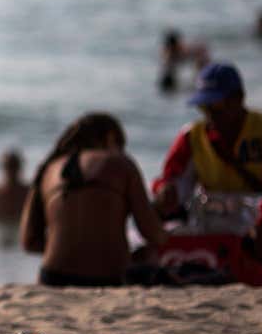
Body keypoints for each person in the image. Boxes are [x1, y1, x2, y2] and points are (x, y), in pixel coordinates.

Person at [151, 62, 262, 267]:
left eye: (216, 106)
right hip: (211, 227)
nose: (210, 114)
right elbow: (174, 183)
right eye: (204, 107)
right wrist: (165, 192)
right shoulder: (191, 136)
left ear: (239, 98)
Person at [18, 113, 164, 287]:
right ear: (110, 137)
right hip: (108, 277)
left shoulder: (49, 168)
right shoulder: (121, 164)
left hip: (53, 277)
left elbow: (29, 242)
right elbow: (153, 235)